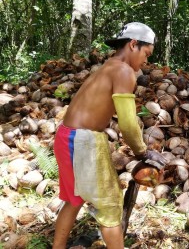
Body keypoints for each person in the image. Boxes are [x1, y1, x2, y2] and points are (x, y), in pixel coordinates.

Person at [52, 22, 167, 249]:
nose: (146, 61)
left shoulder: (109, 66)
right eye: (146, 53)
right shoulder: (125, 72)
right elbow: (127, 122)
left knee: (74, 199)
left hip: (66, 136)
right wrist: (143, 152)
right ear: (134, 44)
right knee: (111, 205)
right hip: (82, 141)